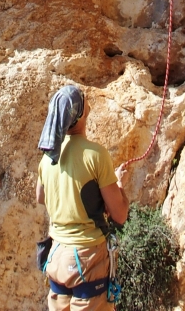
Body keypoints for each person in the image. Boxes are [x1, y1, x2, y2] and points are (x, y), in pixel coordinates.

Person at [36, 85, 129, 310]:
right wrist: (118, 185)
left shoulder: (49, 156)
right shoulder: (96, 156)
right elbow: (119, 214)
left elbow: (41, 197)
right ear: (81, 113)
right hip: (87, 260)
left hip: (57, 256)